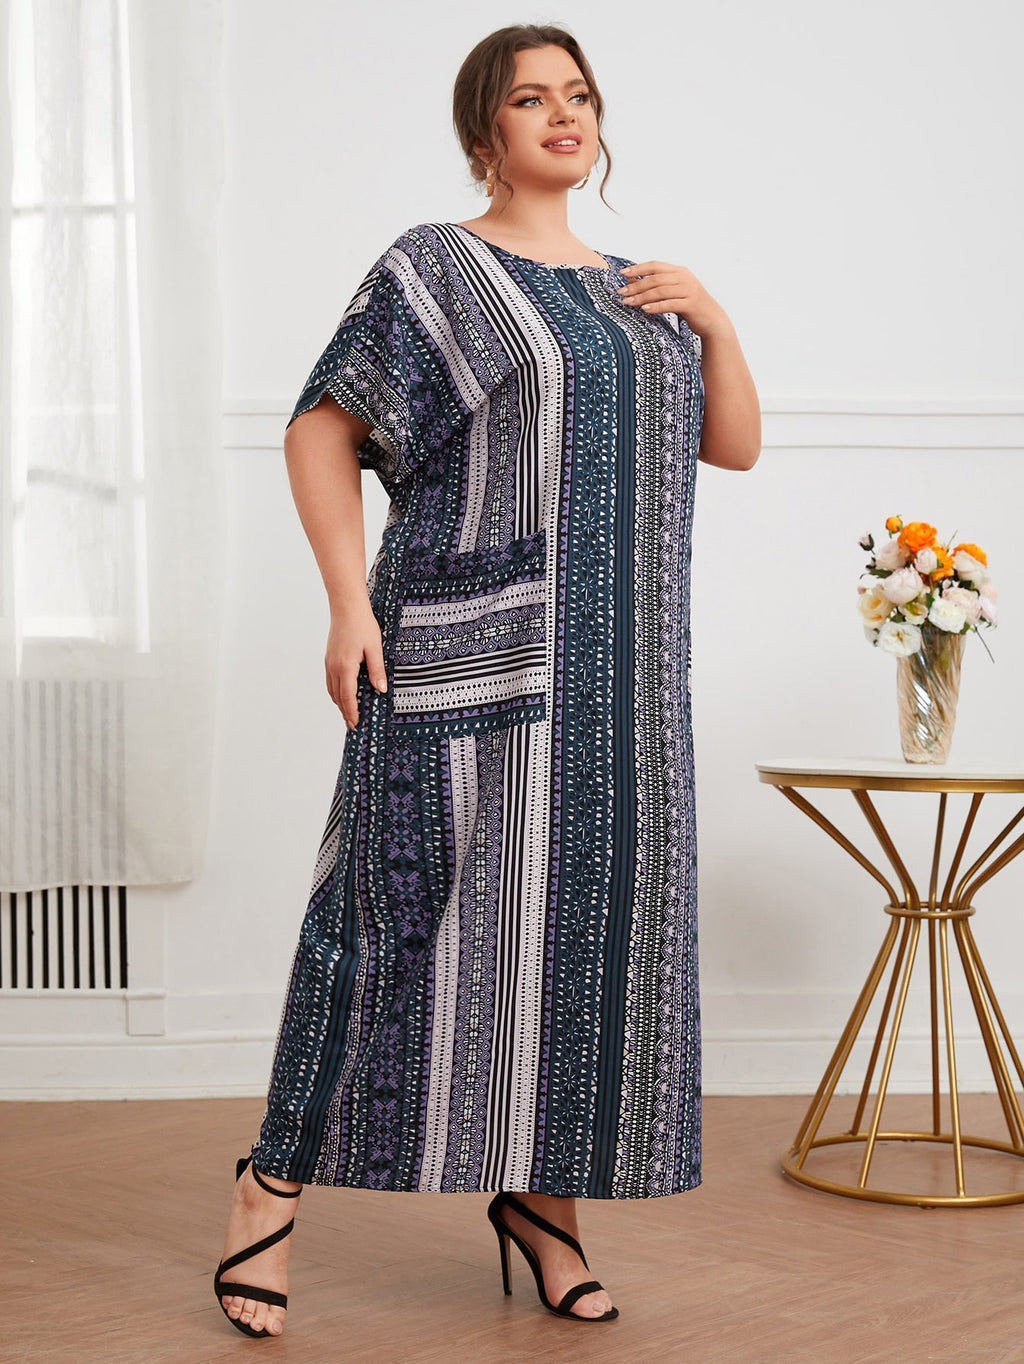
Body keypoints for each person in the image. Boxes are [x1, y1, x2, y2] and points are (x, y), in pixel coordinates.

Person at [214, 21, 760, 1339]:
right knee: (386, 927)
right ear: (485, 133)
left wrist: (715, 319)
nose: (563, 115)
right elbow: (321, 426)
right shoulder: (438, 268)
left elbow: (732, 445)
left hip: (624, 687)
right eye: (530, 98)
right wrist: (347, 603)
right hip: (463, 655)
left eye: (578, 95)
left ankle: (543, 1207)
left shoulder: (641, 290)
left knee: (579, 942)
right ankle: (266, 1193)